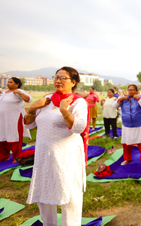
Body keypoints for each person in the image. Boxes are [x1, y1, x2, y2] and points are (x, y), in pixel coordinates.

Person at [24, 66, 89, 226]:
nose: (57, 80)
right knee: (45, 188)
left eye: (63, 78)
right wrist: (32, 108)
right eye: (56, 77)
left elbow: (79, 127)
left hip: (67, 154)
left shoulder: (78, 102)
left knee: (70, 195)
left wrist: (64, 110)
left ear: (74, 82)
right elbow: (29, 125)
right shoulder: (46, 100)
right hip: (44, 153)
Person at [112, 84, 141, 166]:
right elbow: (114, 106)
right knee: (126, 143)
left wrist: (138, 97)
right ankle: (127, 158)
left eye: (132, 90)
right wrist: (120, 99)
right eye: (129, 90)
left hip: (138, 124)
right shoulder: (123, 99)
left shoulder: (140, 99)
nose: (130, 91)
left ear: (136, 91)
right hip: (126, 124)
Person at [0, 77, 32, 162]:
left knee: (15, 136)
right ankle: (4, 156)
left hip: (14, 118)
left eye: (11, 82)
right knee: (2, 136)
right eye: (8, 82)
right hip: (2, 119)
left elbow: (29, 100)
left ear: (17, 84)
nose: (8, 83)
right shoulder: (4, 92)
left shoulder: (20, 92)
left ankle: (17, 157)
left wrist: (19, 93)